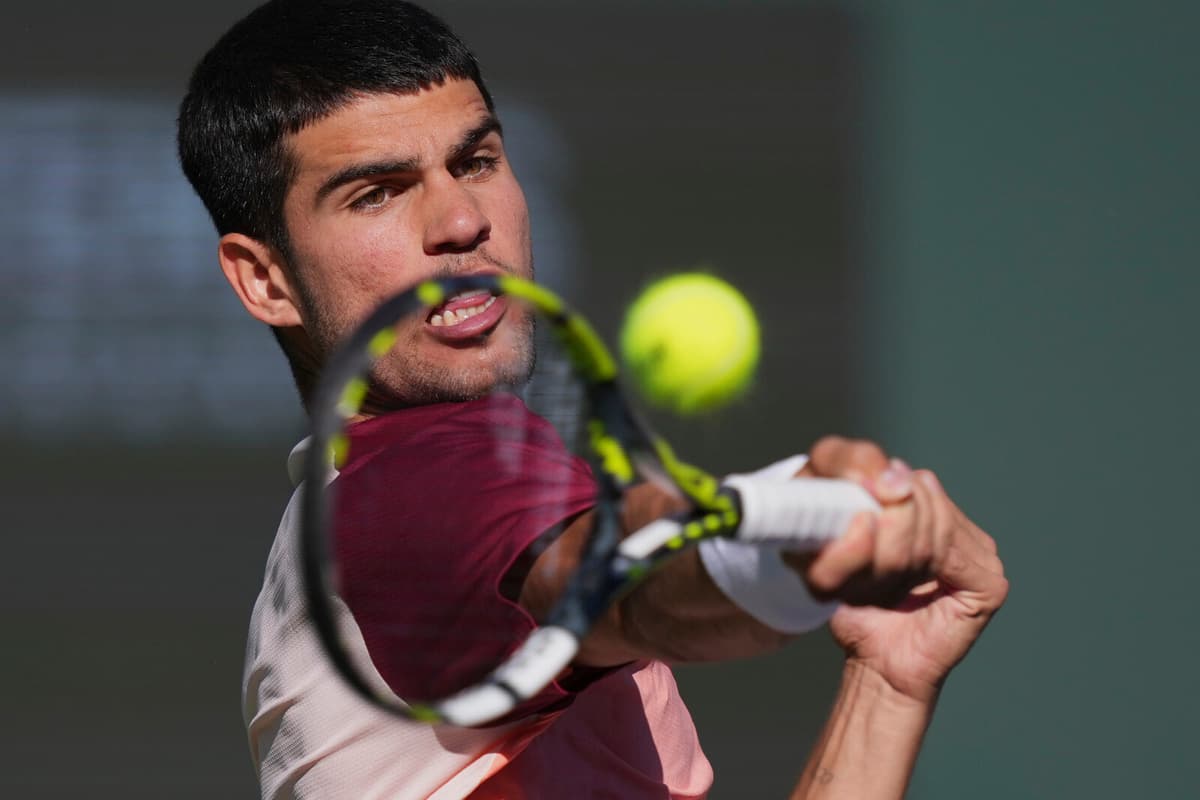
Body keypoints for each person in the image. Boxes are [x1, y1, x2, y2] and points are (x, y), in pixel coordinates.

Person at [177, 1, 1008, 798]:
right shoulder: (411, 483)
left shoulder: (345, 523)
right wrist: (783, 544)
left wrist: (885, 686)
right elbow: (620, 578)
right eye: (378, 193)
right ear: (265, 279)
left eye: (476, 162)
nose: (462, 221)